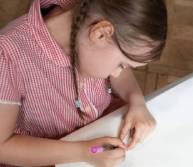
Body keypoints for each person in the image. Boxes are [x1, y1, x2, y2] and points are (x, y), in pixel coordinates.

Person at [0, 0, 167, 166]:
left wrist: (136, 101)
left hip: (98, 130)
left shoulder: (92, 19)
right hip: (44, 156)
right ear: (100, 34)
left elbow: (116, 59)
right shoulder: (7, 57)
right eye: (122, 65)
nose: (118, 73)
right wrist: (83, 152)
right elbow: (3, 147)